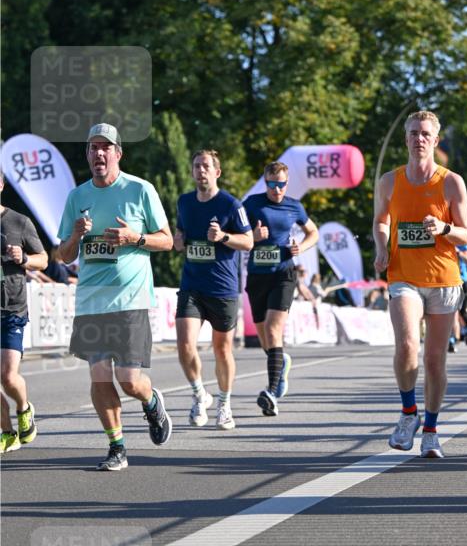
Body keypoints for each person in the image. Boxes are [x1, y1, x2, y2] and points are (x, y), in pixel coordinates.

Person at [57, 124, 173, 471]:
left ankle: (151, 402)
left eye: (106, 147)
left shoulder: (140, 190)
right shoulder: (77, 197)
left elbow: (167, 240)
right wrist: (76, 235)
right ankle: (116, 446)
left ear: (118, 153)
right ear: (88, 155)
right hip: (91, 301)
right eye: (93, 148)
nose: (99, 154)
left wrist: (134, 238)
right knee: (99, 378)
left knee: (129, 381)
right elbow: (62, 256)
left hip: (131, 300)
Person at [373, 109, 467, 458]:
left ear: (435, 140)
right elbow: (380, 221)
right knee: (407, 346)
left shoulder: (451, 182)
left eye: (425, 133)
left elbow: (466, 233)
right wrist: (382, 246)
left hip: (444, 280)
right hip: (403, 276)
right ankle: (408, 412)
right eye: (413, 133)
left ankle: (430, 429)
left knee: (434, 361)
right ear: (406, 139)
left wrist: (443, 229)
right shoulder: (389, 181)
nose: (419, 139)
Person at [174, 150, 253, 430]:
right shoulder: (183, 202)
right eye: (196, 166)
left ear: (217, 172)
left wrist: (224, 237)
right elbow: (180, 235)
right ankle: (199, 395)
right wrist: (178, 239)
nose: (201, 171)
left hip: (222, 288)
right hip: (192, 285)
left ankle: (225, 405)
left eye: (206, 166)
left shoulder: (231, 204)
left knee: (222, 350)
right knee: (184, 345)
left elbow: (249, 242)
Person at [243, 161, 319, 417]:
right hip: (257, 276)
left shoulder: (294, 206)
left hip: (284, 274)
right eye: (272, 185)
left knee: (275, 329)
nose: (277, 190)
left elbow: (314, 233)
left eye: (281, 185)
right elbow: (236, 235)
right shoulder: (252, 204)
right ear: (266, 182)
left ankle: (272, 391)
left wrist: (302, 247)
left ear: (287, 183)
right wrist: (253, 236)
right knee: (265, 336)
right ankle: (280, 363)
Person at [0, 173, 48, 453]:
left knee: (7, 376)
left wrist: (25, 258)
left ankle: (24, 407)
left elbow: (44, 259)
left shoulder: (19, 221)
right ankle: (7, 432)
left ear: (2, 185)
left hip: (11, 308)